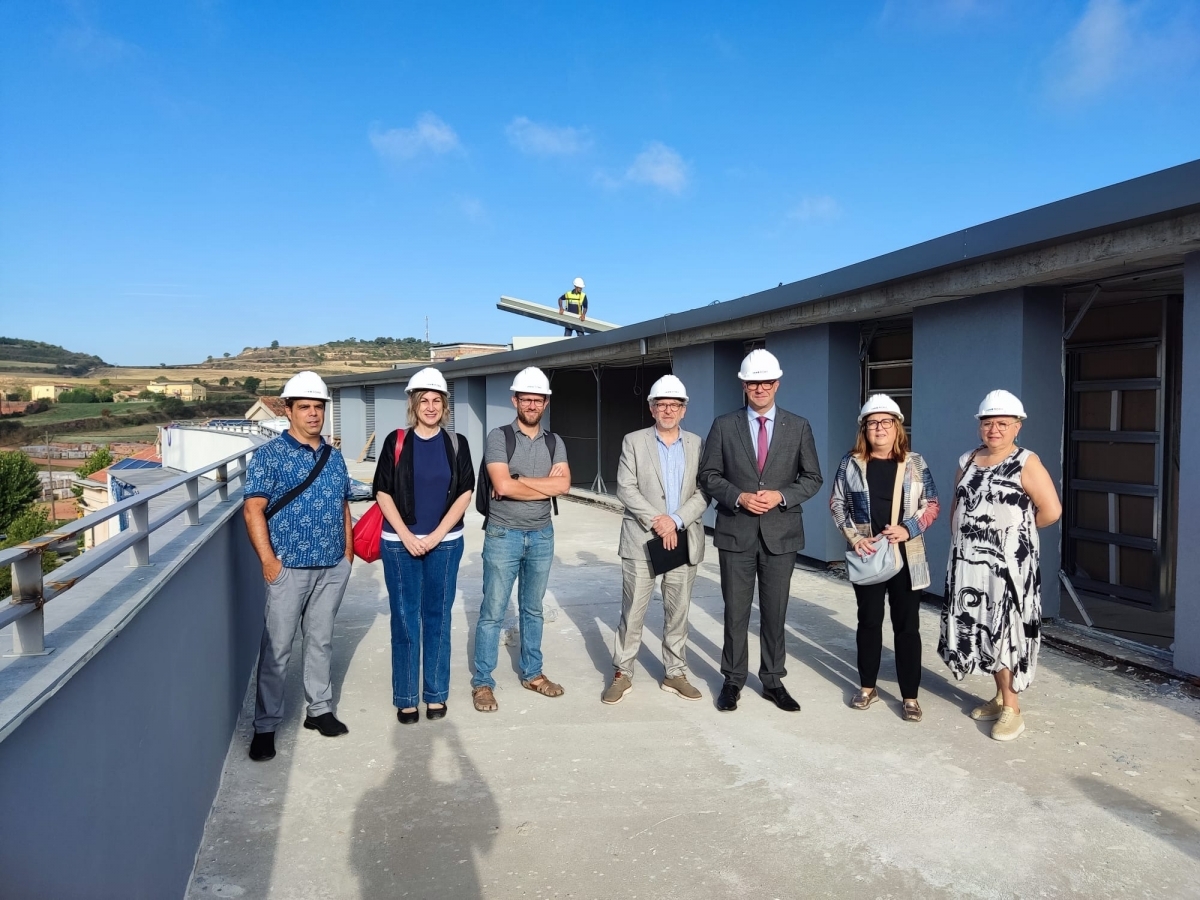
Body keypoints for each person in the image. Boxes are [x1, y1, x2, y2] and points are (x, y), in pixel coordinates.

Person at [699, 349, 823, 713]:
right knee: (735, 612)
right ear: (744, 385)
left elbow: (812, 477)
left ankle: (772, 680)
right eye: (754, 382)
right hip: (736, 533)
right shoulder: (724, 425)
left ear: (777, 384)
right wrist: (738, 497)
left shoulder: (798, 426)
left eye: (766, 382)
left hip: (780, 535)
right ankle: (733, 680)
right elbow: (709, 475)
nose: (760, 388)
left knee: (774, 612)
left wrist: (781, 496)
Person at [243, 371, 354, 762]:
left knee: (321, 641)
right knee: (277, 649)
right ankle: (266, 726)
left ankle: (319, 709)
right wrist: (270, 563)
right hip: (288, 568)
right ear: (287, 410)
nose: (312, 414)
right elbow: (253, 508)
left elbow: (343, 504)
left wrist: (348, 553)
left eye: (318, 407)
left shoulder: (334, 455)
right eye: (304, 407)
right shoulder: (269, 456)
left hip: (331, 566)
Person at [938, 389, 1062, 742]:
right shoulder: (967, 459)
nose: (994, 430)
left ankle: (1013, 708)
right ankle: (998, 696)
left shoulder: (1027, 462)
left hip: (1008, 568)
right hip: (968, 562)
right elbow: (956, 505)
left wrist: (1011, 536)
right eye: (988, 423)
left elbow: (1051, 511)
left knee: (1006, 628)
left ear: (1017, 426)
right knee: (980, 625)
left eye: (1003, 423)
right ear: (980, 426)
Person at [372, 367, 475, 724]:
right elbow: (382, 491)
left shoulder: (457, 443)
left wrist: (433, 537)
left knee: (438, 617)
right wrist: (406, 535)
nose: (430, 407)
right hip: (399, 545)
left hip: (445, 544)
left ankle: (435, 694)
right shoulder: (396, 441)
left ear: (445, 405)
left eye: (436, 400)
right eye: (423, 401)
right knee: (404, 620)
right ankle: (405, 698)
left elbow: (464, 493)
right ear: (413, 404)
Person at [829, 394, 940, 722]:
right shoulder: (851, 462)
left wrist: (908, 529)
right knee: (869, 621)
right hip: (868, 555)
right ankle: (867, 687)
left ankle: (910, 696)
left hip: (908, 555)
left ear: (897, 427)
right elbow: (837, 504)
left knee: (908, 626)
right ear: (864, 429)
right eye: (872, 423)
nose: (879, 428)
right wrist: (854, 538)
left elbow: (931, 504)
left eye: (885, 422)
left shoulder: (915, 463)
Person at [471, 366, 571, 712]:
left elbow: (563, 486)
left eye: (537, 399)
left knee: (533, 609)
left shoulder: (555, 442)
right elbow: (501, 486)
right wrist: (540, 485)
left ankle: (533, 673)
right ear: (515, 400)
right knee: (493, 612)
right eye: (525, 398)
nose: (531, 404)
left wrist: (520, 482)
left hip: (542, 534)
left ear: (545, 402)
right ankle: (483, 682)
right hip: (503, 534)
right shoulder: (499, 437)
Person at [604, 375, 710, 705]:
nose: (667, 410)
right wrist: (659, 521)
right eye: (661, 404)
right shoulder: (634, 441)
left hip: (684, 538)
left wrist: (675, 520)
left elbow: (704, 490)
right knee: (632, 612)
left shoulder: (696, 443)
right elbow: (625, 487)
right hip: (642, 540)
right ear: (651, 408)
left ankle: (675, 673)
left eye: (674, 405)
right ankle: (623, 672)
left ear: (683, 409)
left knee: (677, 612)